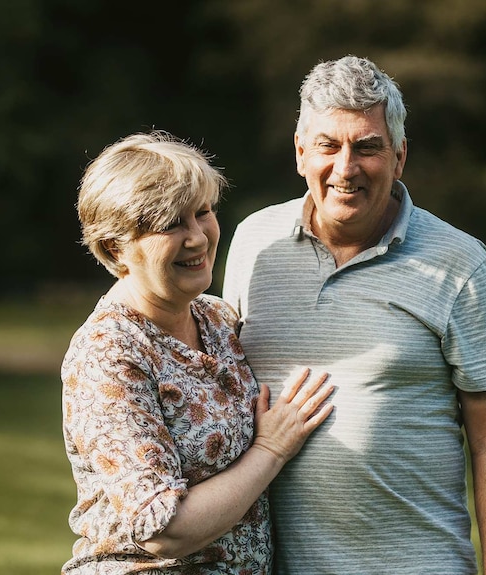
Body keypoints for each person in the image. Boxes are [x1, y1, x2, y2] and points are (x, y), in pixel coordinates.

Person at [222, 55, 486, 574]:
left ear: (399, 156)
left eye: (367, 147)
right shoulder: (255, 242)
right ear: (300, 152)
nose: (346, 168)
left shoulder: (461, 263)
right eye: (328, 146)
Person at [60, 130, 335, 575]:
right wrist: (270, 449)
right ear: (116, 248)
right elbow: (163, 530)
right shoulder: (108, 354)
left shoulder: (217, 319)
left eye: (203, 213)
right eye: (171, 223)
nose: (199, 238)